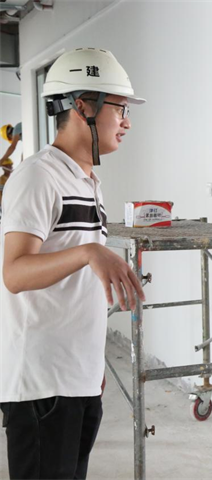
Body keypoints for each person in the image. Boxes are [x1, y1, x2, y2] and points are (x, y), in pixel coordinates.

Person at [0, 48, 146, 479]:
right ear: (83, 106)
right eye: (119, 108)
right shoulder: (38, 176)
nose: (126, 122)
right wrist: (88, 252)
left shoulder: (87, 181)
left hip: (76, 377)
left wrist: (90, 364)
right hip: (42, 385)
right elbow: (14, 272)